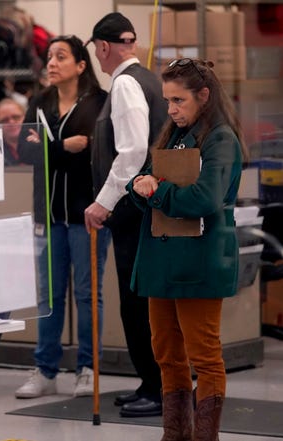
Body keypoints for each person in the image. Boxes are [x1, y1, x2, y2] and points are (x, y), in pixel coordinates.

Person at [127, 58, 246, 441]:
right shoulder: (172, 136)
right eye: (168, 101)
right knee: (166, 355)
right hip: (162, 263)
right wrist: (139, 188)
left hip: (200, 261)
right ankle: (174, 435)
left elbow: (204, 198)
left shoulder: (221, 139)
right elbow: (144, 181)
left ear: (204, 96)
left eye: (179, 100)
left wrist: (156, 190)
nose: (172, 109)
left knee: (205, 356)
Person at [14, 35, 112, 399]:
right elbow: (25, 152)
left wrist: (48, 149)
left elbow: (94, 154)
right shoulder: (39, 103)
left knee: (88, 295)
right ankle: (45, 369)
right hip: (49, 215)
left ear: (81, 65)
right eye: (48, 57)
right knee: (49, 297)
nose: (51, 63)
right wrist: (60, 147)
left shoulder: (99, 104)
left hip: (88, 215)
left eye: (60, 56)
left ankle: (88, 368)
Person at [84, 12, 168, 417]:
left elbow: (133, 151)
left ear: (103, 47)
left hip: (134, 212)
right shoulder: (148, 78)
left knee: (137, 301)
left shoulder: (125, 83)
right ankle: (152, 382)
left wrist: (103, 202)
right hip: (144, 210)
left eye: (97, 52)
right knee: (142, 300)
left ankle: (157, 387)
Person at [0, 97, 26, 165]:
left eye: (16, 117)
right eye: (4, 120)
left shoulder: (38, 145)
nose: (11, 122)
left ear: (25, 117)